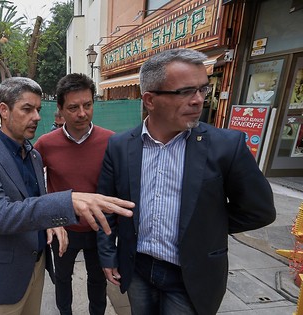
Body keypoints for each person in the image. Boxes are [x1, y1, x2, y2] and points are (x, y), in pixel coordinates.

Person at [96, 48, 276, 315]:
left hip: (192, 274)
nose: (198, 100)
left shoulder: (226, 146)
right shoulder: (121, 146)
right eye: (185, 92)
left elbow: (259, 210)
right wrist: (109, 256)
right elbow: (107, 208)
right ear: (150, 100)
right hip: (137, 269)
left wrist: (206, 227)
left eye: (203, 90)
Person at [0, 77, 135, 315]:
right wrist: (65, 204)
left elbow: (34, 200)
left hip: (40, 260)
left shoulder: (31, 154)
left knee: (96, 282)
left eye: (38, 110)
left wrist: (49, 223)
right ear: (4, 110)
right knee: (62, 283)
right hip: (5, 273)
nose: (37, 117)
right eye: (27, 109)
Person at [34, 73, 114, 315]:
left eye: (87, 105)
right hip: (62, 228)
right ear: (59, 109)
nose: (82, 113)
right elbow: (31, 182)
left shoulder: (111, 141)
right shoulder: (46, 144)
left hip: (99, 229)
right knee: (63, 278)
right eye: (73, 107)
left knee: (98, 280)